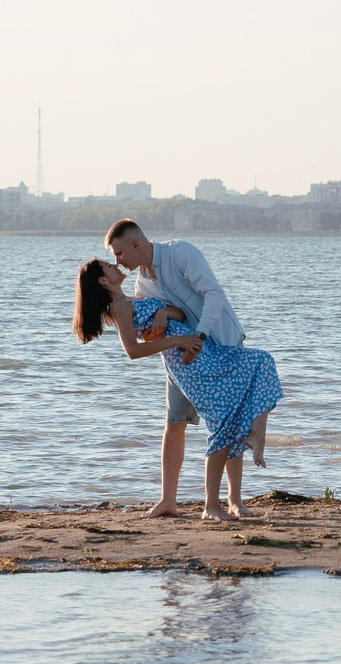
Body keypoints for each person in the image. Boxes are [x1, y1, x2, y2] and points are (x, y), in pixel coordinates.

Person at [74, 256, 282, 522]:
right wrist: (178, 339)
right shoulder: (119, 307)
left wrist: (162, 312)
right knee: (224, 424)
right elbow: (133, 350)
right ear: (103, 280)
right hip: (188, 364)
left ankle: (255, 434)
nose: (116, 266)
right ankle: (211, 506)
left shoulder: (134, 299)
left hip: (201, 352)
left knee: (261, 361)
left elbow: (180, 313)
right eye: (109, 266)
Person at [104, 219, 248, 517]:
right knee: (174, 422)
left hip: (221, 342)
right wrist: (160, 314)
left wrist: (200, 336)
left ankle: (234, 500)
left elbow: (214, 294)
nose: (117, 261)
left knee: (230, 422)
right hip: (182, 359)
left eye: (119, 253)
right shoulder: (141, 283)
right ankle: (168, 500)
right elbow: (168, 315)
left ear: (135, 244)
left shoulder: (180, 253)